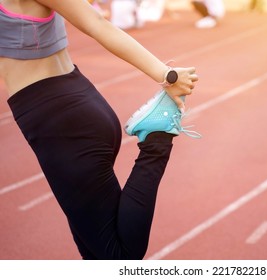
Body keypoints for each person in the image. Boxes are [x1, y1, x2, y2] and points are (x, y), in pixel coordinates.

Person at [0, 0, 199, 259]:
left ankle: (157, 138)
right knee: (94, 256)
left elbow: (97, 23)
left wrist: (167, 74)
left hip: (63, 126)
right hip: (69, 114)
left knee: (120, 259)